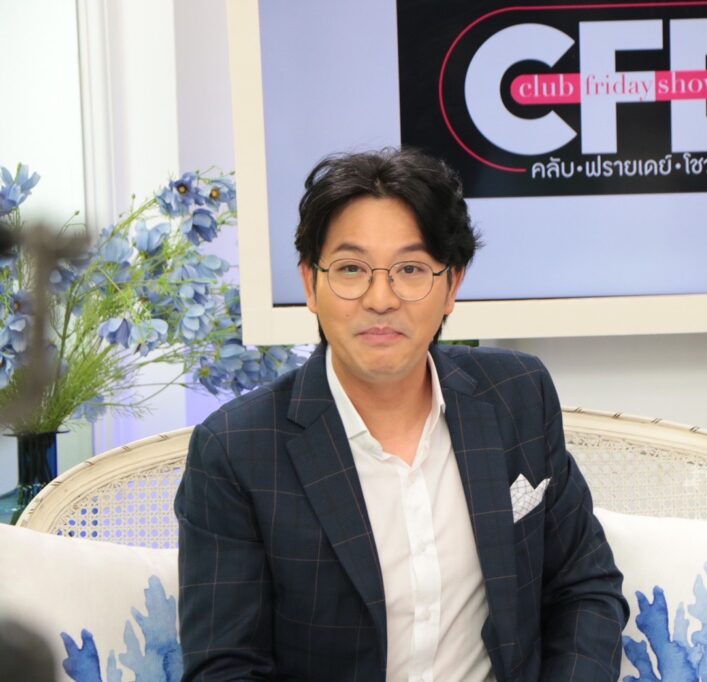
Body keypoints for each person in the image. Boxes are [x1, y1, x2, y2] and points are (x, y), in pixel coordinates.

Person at [175, 148, 627, 681]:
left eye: (410, 269)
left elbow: (583, 587)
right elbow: (226, 668)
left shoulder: (517, 396)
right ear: (310, 285)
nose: (381, 299)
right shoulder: (236, 450)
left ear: (452, 285)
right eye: (351, 269)